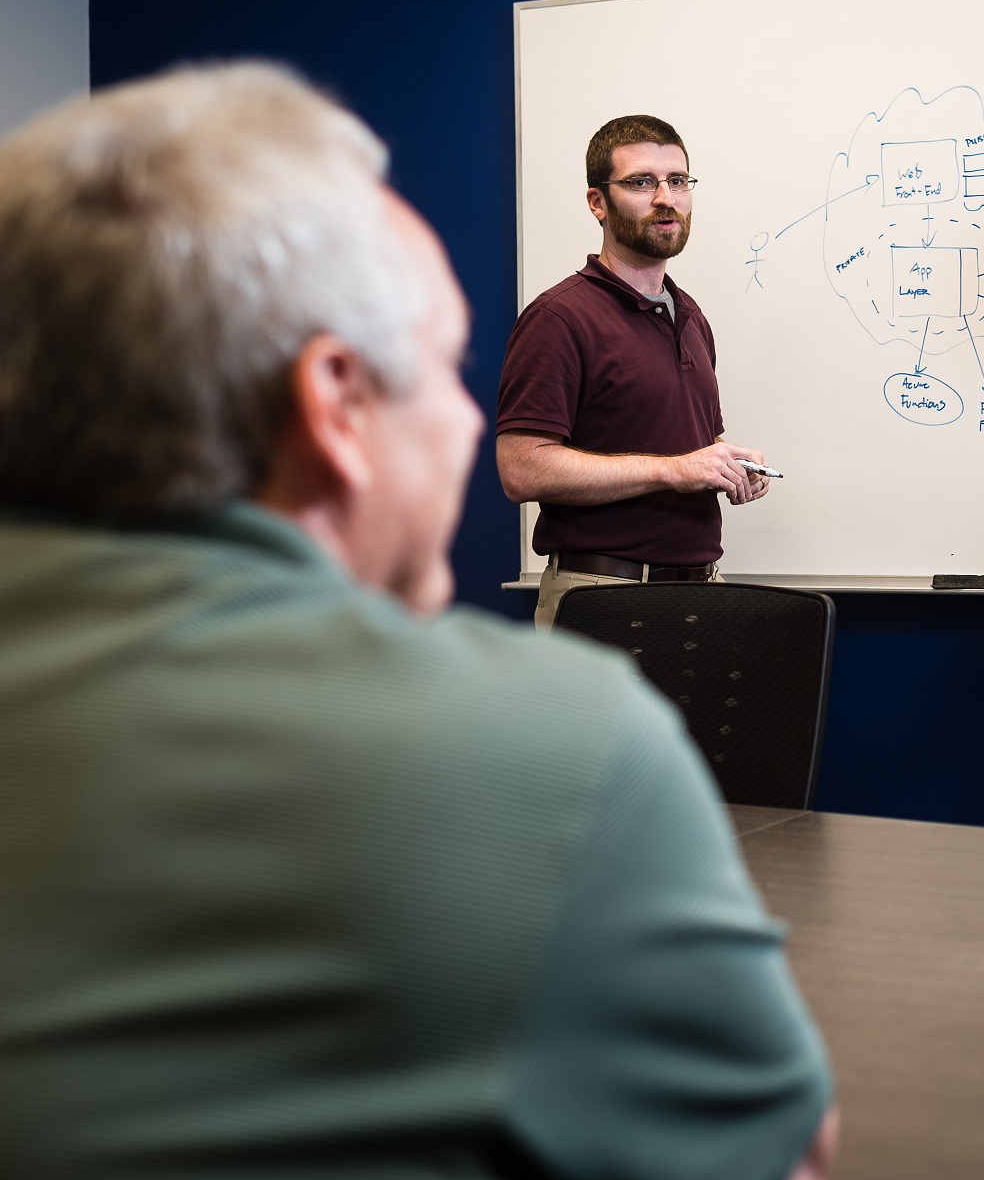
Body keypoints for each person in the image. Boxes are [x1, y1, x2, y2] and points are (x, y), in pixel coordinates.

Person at [0, 64, 836, 1179]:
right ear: (333, 406)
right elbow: (781, 1147)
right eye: (437, 370)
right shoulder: (553, 743)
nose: (459, 424)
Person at [497, 114, 770, 629]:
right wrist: (673, 469)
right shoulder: (559, 318)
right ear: (597, 202)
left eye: (678, 181)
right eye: (641, 182)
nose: (665, 198)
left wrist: (728, 467)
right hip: (603, 597)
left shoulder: (689, 316)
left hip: (702, 594)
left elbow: (694, 444)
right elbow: (521, 469)